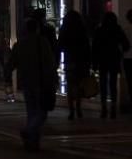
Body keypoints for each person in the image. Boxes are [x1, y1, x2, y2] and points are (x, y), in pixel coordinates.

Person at [13, 17, 58, 151]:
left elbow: (11, 62)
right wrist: (54, 78)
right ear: (37, 29)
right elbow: (50, 62)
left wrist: (7, 78)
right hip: (41, 82)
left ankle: (32, 140)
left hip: (27, 82)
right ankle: (29, 131)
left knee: (31, 111)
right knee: (42, 112)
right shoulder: (42, 42)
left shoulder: (20, 44)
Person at [92, 11, 130, 119]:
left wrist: (94, 63)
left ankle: (104, 108)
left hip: (102, 60)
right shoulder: (117, 29)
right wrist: (120, 51)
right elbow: (126, 44)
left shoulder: (99, 30)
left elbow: (95, 47)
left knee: (103, 84)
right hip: (114, 59)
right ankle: (113, 107)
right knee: (113, 84)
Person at [58, 10, 91, 120]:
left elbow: (60, 45)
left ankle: (71, 110)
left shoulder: (64, 30)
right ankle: (78, 108)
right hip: (81, 61)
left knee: (70, 85)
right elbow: (87, 47)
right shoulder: (82, 29)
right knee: (79, 85)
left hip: (69, 60)